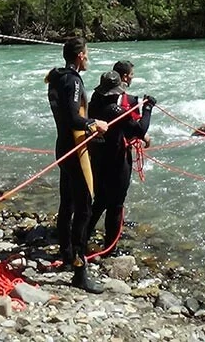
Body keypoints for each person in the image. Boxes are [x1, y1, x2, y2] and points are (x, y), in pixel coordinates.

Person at [45, 37, 109, 293]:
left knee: (67, 203)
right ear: (81, 55)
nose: (88, 57)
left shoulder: (57, 77)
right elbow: (73, 117)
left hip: (63, 146)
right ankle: (79, 271)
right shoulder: (72, 80)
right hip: (75, 149)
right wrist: (95, 124)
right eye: (87, 53)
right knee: (84, 208)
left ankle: (67, 253)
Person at [87, 70, 154, 257]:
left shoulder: (94, 103)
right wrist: (148, 108)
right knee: (116, 204)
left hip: (98, 157)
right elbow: (140, 129)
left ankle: (83, 237)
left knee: (100, 200)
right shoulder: (114, 110)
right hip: (116, 159)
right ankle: (110, 248)